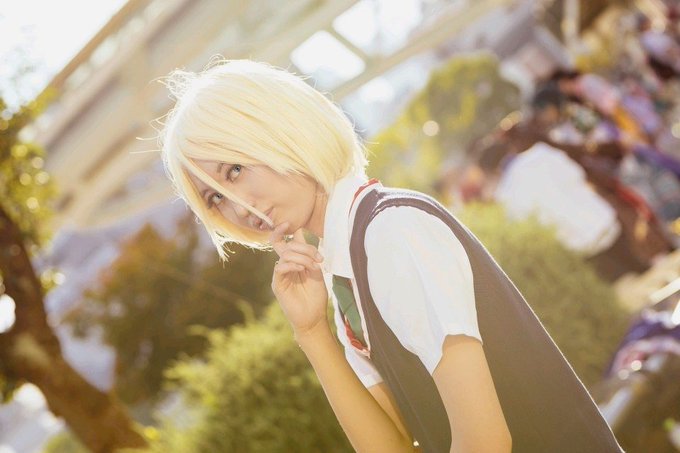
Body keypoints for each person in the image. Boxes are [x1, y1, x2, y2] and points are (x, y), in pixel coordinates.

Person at [157, 58, 623, 452]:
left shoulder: (388, 233)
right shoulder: (346, 267)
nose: (238, 207)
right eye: (215, 197)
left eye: (234, 170)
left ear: (280, 130)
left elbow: (485, 442)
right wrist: (313, 333)